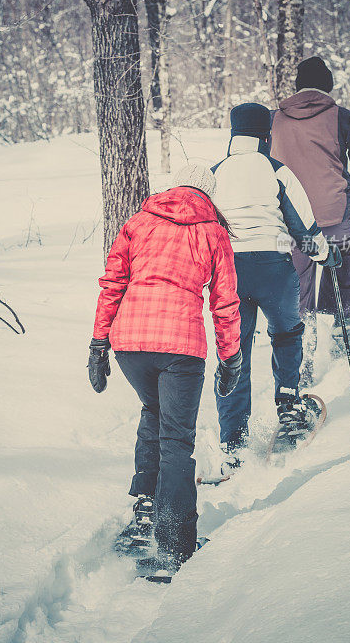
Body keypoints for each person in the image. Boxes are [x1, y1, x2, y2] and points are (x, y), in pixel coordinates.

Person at [88, 164, 241, 574]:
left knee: (153, 412)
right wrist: (231, 358)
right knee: (176, 441)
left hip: (130, 345)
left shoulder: (139, 221)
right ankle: (174, 546)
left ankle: (144, 516)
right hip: (180, 349)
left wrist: (99, 342)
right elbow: (224, 302)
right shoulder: (213, 230)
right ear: (208, 194)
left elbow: (112, 283)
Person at [212, 103, 340, 457]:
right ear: (266, 135)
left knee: (234, 352)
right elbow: (303, 227)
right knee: (286, 333)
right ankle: (289, 405)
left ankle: (233, 441)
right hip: (273, 268)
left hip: (229, 273)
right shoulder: (277, 171)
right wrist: (326, 255)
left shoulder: (214, 173)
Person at [270, 56, 350, 365]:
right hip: (333, 213)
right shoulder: (341, 117)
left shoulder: (273, 120)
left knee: (298, 279)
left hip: (291, 219)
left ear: (296, 87)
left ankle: (302, 344)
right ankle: (342, 324)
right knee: (343, 264)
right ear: (328, 86)